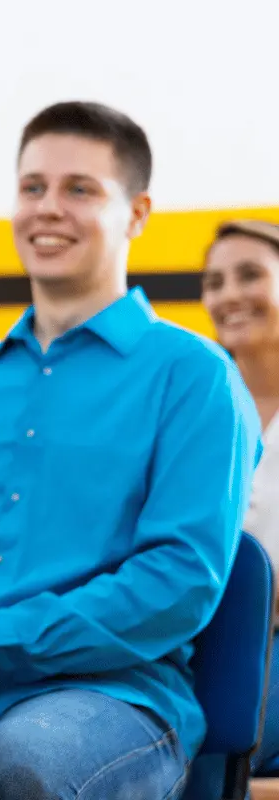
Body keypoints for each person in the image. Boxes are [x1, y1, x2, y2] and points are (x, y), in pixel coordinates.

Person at [0, 101, 260, 800]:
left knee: (17, 768)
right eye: (32, 188)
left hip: (111, 695)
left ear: (139, 213)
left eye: (80, 189)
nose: (47, 209)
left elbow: (177, 581)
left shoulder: (195, 374)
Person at [200, 219, 279, 779]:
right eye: (215, 281)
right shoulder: (201, 403)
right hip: (199, 640)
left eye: (249, 276)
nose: (229, 295)